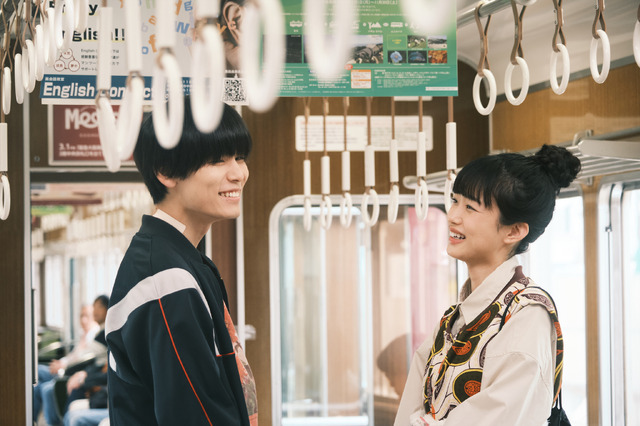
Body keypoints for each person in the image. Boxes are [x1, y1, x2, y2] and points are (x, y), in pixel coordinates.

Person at [394, 145, 581, 425]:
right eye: (455, 200)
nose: (453, 215)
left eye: (470, 207)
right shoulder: (454, 319)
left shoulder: (527, 315)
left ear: (514, 231)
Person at [105, 98, 257, 425]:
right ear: (167, 171)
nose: (238, 174)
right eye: (217, 160)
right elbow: (193, 414)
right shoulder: (165, 279)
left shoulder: (178, 259)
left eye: (240, 157)